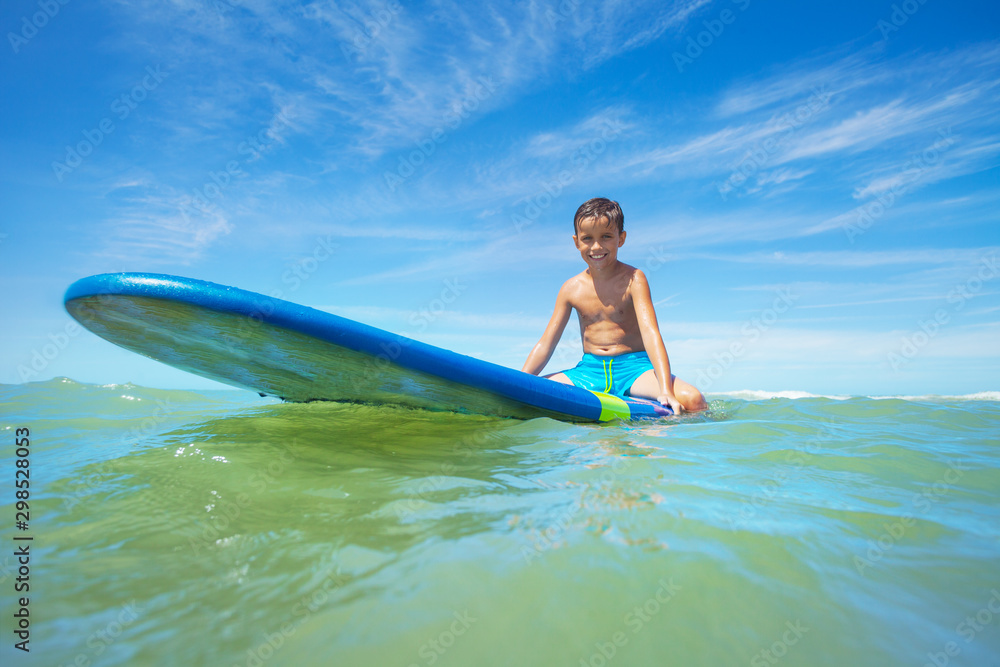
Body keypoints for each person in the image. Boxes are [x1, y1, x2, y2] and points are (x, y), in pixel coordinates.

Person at [521, 197, 707, 414]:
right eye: (587, 238)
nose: (596, 246)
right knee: (532, 394)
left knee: (694, 400)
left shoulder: (634, 279)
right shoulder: (570, 288)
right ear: (576, 242)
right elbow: (547, 343)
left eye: (606, 237)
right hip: (589, 372)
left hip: (634, 369)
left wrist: (665, 389)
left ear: (621, 238)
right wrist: (520, 382)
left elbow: (651, 333)